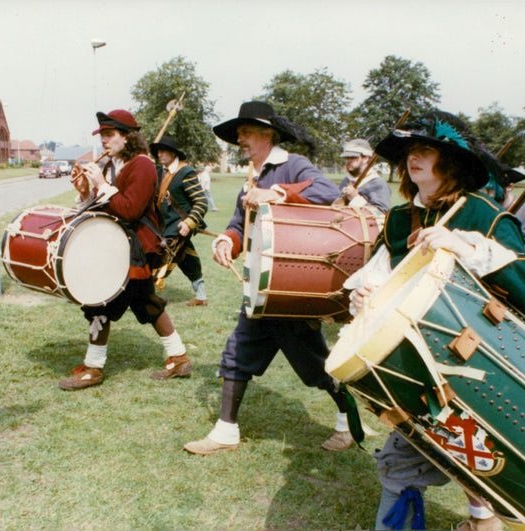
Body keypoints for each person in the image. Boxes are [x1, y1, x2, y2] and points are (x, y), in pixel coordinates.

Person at [343, 111, 525, 531]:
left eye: (426, 150)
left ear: (451, 163)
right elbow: (381, 274)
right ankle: (484, 521)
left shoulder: (484, 215)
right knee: (457, 453)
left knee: (424, 457)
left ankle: (479, 519)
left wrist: (461, 244)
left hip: (481, 362)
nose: (413, 158)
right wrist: (364, 294)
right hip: (415, 363)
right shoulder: (400, 218)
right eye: (409, 152)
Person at [183, 101, 354, 455]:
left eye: (245, 132)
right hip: (261, 288)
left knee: (317, 368)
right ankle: (226, 432)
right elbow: (237, 226)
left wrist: (276, 194)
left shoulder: (292, 165)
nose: (240, 139)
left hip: (293, 287)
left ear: (267, 134)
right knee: (237, 353)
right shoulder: (251, 175)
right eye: (239, 134)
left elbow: (328, 192)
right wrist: (225, 242)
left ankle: (348, 422)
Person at [58, 109, 192, 389]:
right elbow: (104, 205)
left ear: (127, 137)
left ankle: (93, 369)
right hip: (117, 245)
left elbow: (129, 210)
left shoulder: (142, 165)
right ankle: (179, 357)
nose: (104, 141)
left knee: (100, 299)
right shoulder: (114, 163)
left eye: (109, 135)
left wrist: (102, 184)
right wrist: (86, 191)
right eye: (102, 135)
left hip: (138, 248)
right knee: (146, 302)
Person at [149, 135, 210, 307]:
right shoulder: (160, 172)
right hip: (163, 227)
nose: (159, 154)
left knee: (161, 259)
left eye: (163, 150)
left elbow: (201, 201)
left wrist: (190, 222)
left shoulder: (186, 172)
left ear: (173, 153)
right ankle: (201, 295)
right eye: (157, 151)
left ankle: (145, 297)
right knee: (186, 257)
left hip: (177, 227)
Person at [481, 160, 525, 253]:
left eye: (492, 189)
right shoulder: (487, 208)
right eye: (486, 189)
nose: (488, 194)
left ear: (509, 187)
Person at [338, 138, 391, 214]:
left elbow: (381, 214)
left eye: (353, 157)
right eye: (347, 157)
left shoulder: (378, 183)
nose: (349, 161)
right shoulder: (346, 180)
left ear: (366, 158)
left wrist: (354, 198)